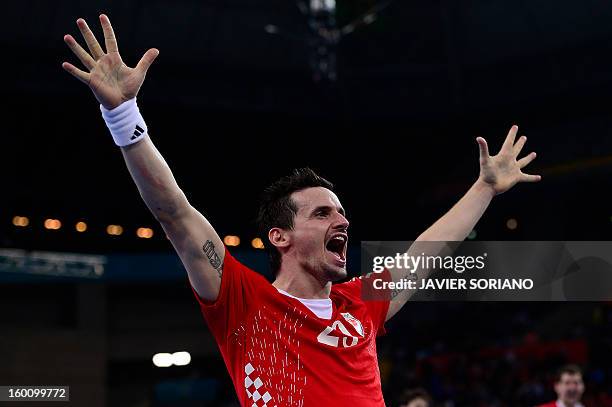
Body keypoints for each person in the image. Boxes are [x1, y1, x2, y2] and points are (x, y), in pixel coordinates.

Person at [62, 14, 542, 406]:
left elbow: (429, 249)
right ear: (279, 236)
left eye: (341, 213)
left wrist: (485, 187)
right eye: (322, 214)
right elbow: (175, 213)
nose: (342, 221)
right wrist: (123, 114)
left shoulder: (361, 303)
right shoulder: (241, 301)